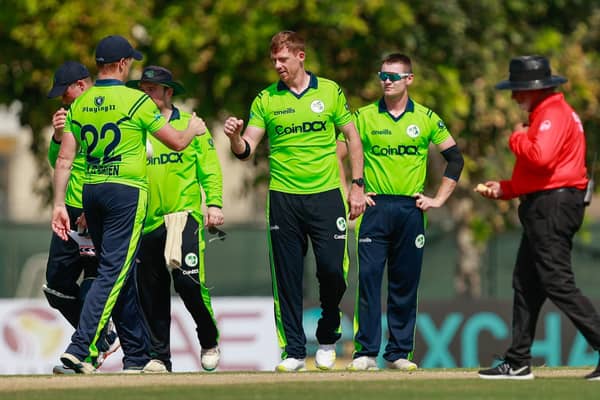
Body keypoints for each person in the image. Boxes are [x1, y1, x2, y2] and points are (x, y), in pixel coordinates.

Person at [51, 34, 207, 373]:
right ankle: (82, 349)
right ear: (122, 64)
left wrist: (58, 204)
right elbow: (177, 142)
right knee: (113, 271)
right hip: (125, 192)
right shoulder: (137, 102)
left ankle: (137, 356)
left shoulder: (80, 104)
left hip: (90, 192)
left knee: (118, 272)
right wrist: (193, 128)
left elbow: (64, 159)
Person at [223, 30, 367, 372]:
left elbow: (353, 139)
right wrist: (233, 138)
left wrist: (357, 185)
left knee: (333, 271)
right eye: (273, 59)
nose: (277, 65)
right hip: (284, 198)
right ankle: (293, 350)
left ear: (300, 57)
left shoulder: (330, 92)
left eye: (283, 59)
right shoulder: (266, 100)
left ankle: (328, 334)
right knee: (287, 277)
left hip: (326, 195)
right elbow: (247, 149)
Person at [476, 55, 600, 381]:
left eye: (518, 90)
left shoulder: (552, 113)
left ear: (535, 88)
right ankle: (518, 361)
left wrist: (516, 136)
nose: (515, 97)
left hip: (553, 208)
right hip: (547, 203)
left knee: (557, 282)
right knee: (526, 284)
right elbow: (544, 172)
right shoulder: (548, 113)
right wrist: (506, 188)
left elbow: (541, 158)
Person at [347, 53, 464, 371]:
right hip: (376, 206)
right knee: (369, 279)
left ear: (409, 79)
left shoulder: (425, 118)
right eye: (382, 75)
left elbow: (455, 159)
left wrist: (438, 199)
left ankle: (399, 353)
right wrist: (353, 186)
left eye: (394, 76)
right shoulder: (364, 116)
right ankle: (366, 353)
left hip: (411, 209)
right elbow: (338, 150)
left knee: (404, 283)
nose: (386, 81)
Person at [125, 66, 223, 373]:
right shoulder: (136, 128)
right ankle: (159, 358)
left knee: (187, 282)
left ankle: (208, 338)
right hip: (146, 220)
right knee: (152, 293)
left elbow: (210, 168)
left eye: (153, 88)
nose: (146, 93)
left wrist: (215, 203)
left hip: (183, 216)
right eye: (143, 88)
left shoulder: (191, 125)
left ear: (169, 92)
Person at [45, 61, 119, 374]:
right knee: (56, 286)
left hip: (96, 206)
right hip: (70, 209)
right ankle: (103, 337)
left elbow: (103, 159)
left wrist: (92, 206)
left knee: (93, 280)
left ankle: (86, 348)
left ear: (80, 85)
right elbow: (57, 161)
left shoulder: (98, 110)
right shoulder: (72, 115)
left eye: (65, 93)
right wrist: (57, 134)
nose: (63, 100)